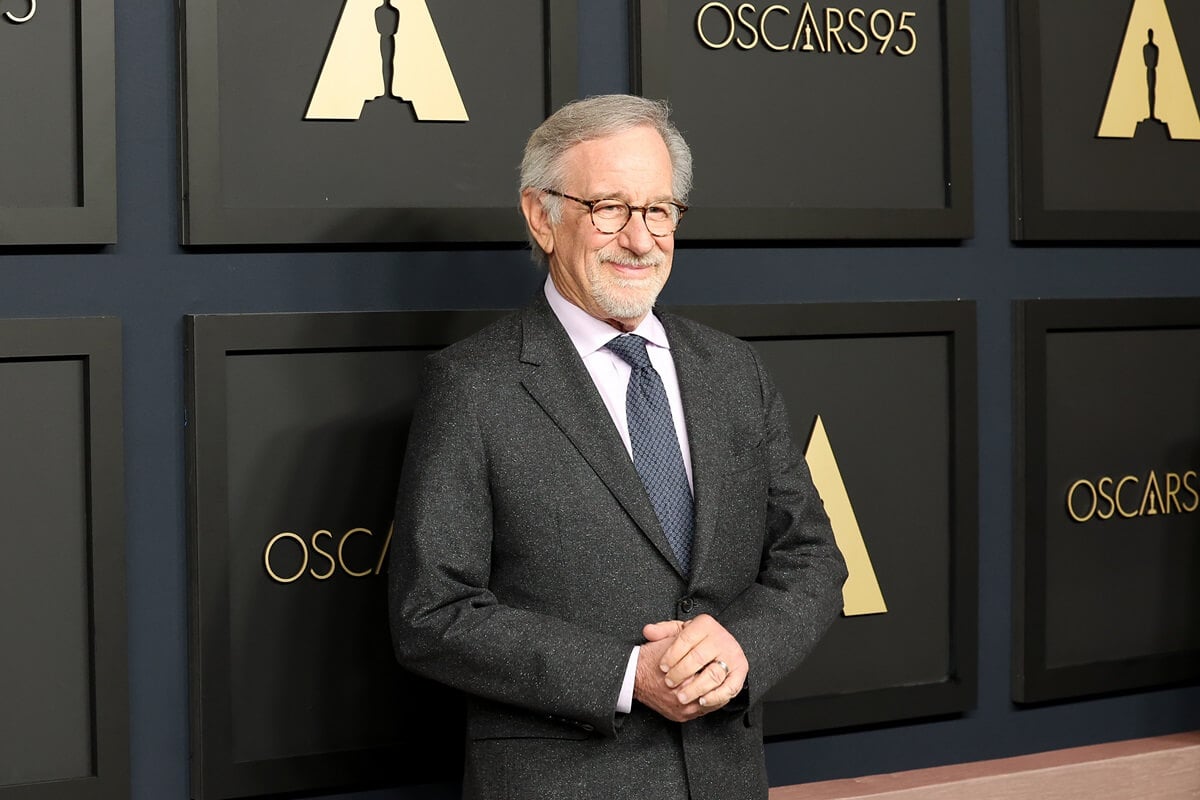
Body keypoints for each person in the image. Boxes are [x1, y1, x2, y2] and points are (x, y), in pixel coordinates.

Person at [389, 94, 847, 800]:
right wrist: (627, 677)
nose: (640, 239)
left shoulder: (734, 371)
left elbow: (811, 556)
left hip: (725, 777)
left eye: (659, 210)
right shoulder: (472, 386)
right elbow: (432, 611)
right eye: (609, 208)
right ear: (542, 217)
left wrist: (742, 647)